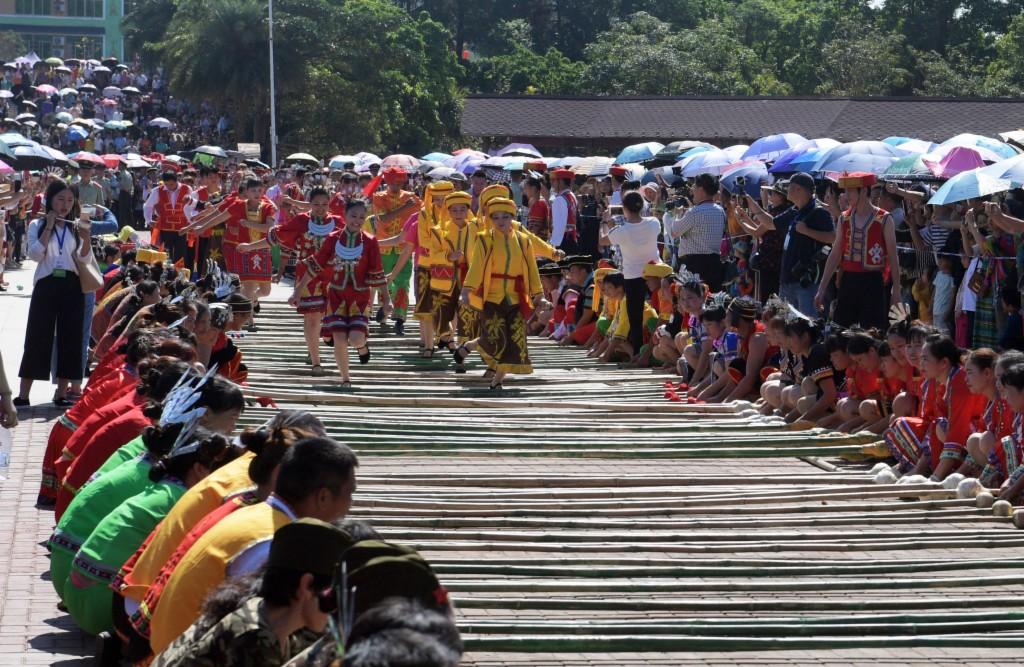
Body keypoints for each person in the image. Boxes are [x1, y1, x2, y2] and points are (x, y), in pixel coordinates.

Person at [147, 435, 358, 656]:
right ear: (323, 497)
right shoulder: (274, 543)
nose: (350, 505)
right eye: (350, 494)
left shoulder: (253, 512)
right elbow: (258, 631)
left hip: (171, 646)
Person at [152, 519, 353, 667]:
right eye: (333, 596)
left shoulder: (263, 614)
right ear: (306, 585)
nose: (336, 608)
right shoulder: (254, 636)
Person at [238, 187, 337, 376]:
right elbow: (277, 236)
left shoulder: (338, 222)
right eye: (316, 204)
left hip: (332, 278)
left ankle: (315, 346)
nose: (320, 208)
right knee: (312, 317)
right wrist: (251, 247)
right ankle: (316, 360)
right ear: (309, 203)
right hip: (307, 276)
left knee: (327, 318)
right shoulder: (301, 221)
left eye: (324, 204)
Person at [290, 198, 388, 387]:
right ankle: (346, 379)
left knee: (355, 338)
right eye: (353, 215)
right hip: (336, 296)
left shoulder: (370, 241)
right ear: (345, 215)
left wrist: (386, 300)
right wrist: (298, 291)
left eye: (361, 217)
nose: (357, 220)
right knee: (339, 338)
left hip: (359, 297)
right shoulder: (333, 239)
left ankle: (362, 346)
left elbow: (377, 272)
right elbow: (315, 265)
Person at [15, 180, 93, 407]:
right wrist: (49, 227)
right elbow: (35, 255)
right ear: (50, 199)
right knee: (37, 336)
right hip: (46, 284)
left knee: (71, 337)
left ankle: (61, 392)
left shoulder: (75, 225)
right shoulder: (36, 225)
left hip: (72, 285)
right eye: (60, 199)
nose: (65, 205)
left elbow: (84, 259)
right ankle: (23, 394)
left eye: (70, 200)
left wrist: (86, 239)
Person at [454, 197, 544, 390]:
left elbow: (531, 268)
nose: (501, 221)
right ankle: (468, 347)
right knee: (494, 338)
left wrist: (539, 295)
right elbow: (476, 266)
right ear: (490, 219)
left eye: (506, 216)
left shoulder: (524, 240)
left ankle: (498, 381)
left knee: (514, 339)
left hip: (516, 297)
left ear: (513, 217)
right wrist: (467, 290)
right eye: (496, 217)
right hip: (491, 297)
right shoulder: (485, 240)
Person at [815, 172, 901, 330]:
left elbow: (893, 256)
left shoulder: (884, 218)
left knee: (872, 333)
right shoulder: (844, 218)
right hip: (848, 281)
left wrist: (896, 289)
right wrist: (821, 289)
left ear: (863, 191)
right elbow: (835, 254)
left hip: (873, 281)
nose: (846, 195)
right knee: (841, 332)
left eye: (850, 191)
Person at [600, 191, 661, 361]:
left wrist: (606, 222)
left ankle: (637, 354)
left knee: (635, 318)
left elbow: (603, 240)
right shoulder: (654, 223)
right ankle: (644, 353)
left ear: (624, 208)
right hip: (655, 272)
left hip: (633, 275)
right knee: (662, 311)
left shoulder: (621, 230)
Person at [370, 168, 420, 335]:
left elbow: (424, 214)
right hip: (383, 247)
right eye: (393, 182)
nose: (396, 186)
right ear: (386, 181)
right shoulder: (379, 198)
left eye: (399, 182)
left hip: (404, 247)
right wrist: (406, 208)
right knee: (383, 282)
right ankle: (385, 309)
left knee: (403, 282)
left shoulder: (412, 197)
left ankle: (400, 318)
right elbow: (383, 219)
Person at [669, 173, 726, 291]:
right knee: (712, 300)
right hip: (714, 263)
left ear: (701, 189)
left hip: (694, 265)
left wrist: (677, 214)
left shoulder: (694, 212)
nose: (692, 190)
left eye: (694, 186)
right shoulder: (720, 211)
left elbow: (674, 232)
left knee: (692, 302)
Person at [143, 171, 193, 267]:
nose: (169, 187)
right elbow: (148, 206)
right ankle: (165, 275)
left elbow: (192, 206)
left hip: (182, 228)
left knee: (181, 254)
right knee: (165, 253)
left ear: (177, 181)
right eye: (166, 184)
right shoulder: (158, 190)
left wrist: (191, 222)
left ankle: (180, 275)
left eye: (171, 184)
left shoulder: (187, 189)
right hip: (165, 228)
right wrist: (149, 220)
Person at [550, 168, 579, 254]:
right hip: (572, 239)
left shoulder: (559, 199)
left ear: (561, 181)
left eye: (554, 180)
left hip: (563, 241)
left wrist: (553, 245)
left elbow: (559, 226)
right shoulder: (572, 196)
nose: (552, 183)